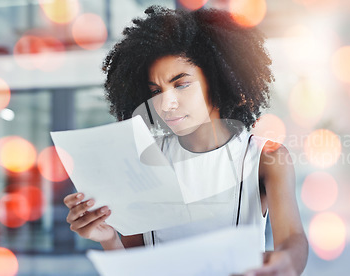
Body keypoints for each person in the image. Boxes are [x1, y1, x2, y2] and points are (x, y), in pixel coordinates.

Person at [63, 6, 308, 275]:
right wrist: (108, 237)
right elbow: (135, 267)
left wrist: (286, 262)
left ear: (219, 81)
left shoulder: (265, 157)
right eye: (156, 91)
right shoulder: (143, 159)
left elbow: (292, 241)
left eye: (181, 84)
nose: (166, 104)